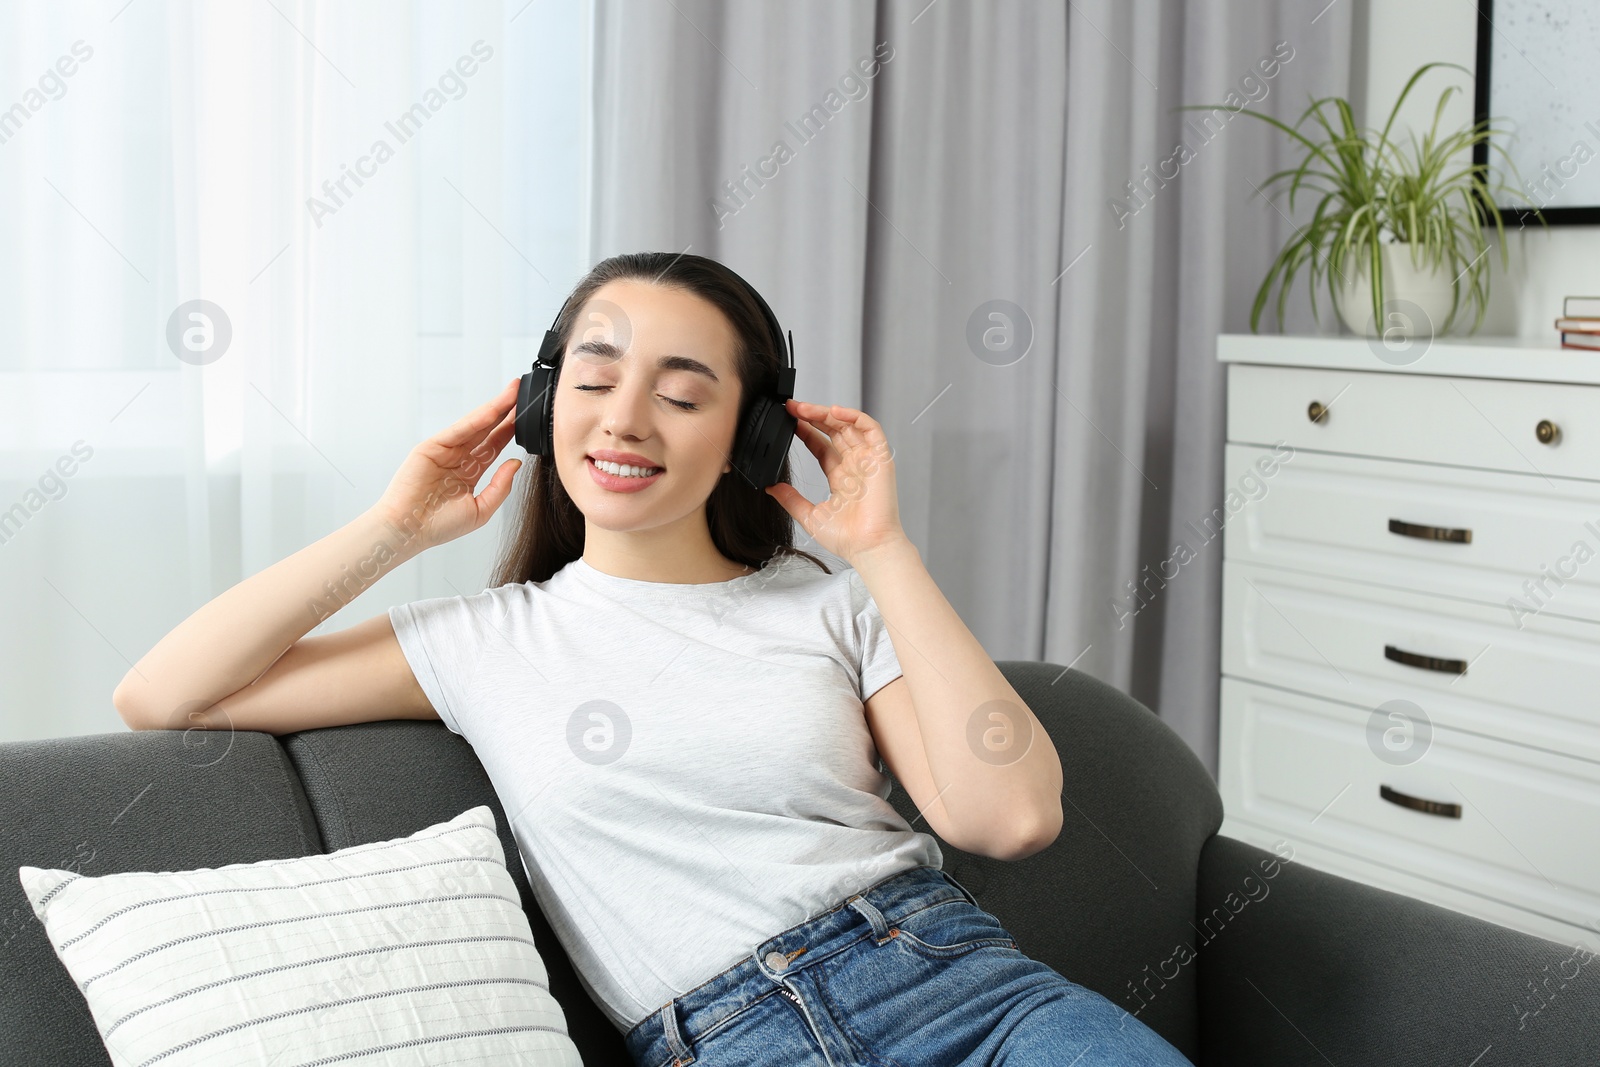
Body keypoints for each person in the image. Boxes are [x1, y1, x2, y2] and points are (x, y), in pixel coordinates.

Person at [113, 252, 1192, 1065]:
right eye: (594, 380)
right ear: (542, 407)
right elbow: (162, 692)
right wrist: (396, 525)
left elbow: (1007, 816)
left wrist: (882, 551)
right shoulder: (482, 639)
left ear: (747, 437)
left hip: (974, 993)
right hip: (733, 1035)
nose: (626, 419)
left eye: (681, 394)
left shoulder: (832, 607)